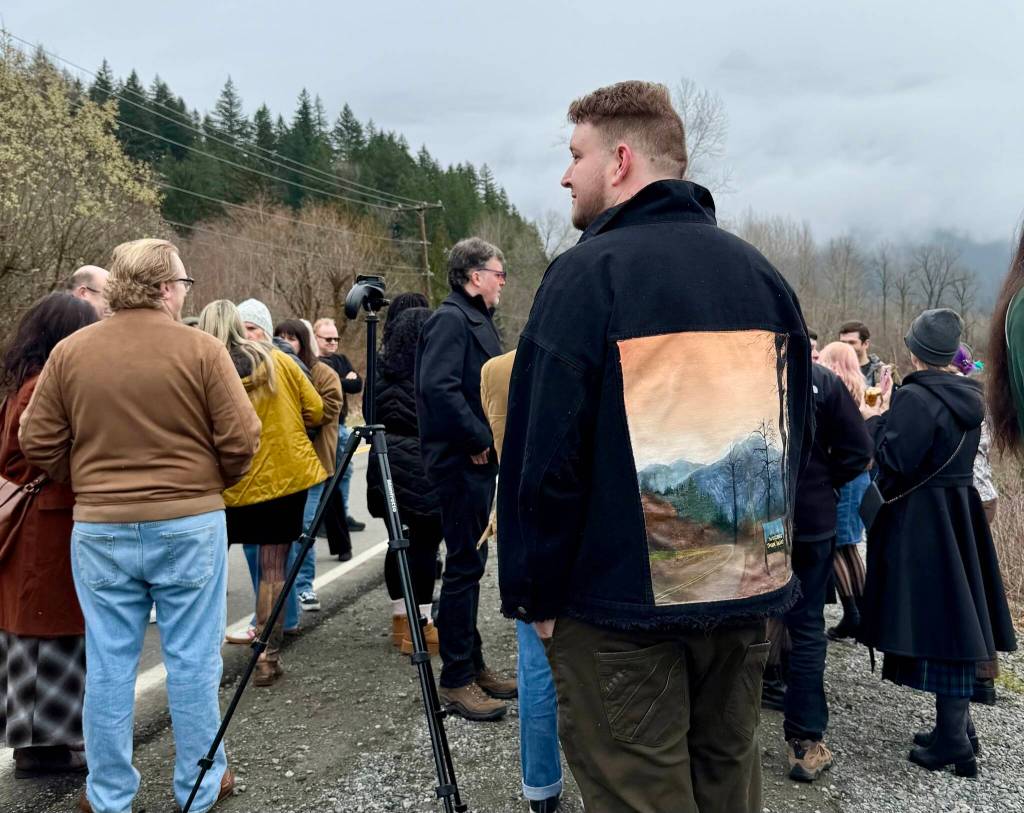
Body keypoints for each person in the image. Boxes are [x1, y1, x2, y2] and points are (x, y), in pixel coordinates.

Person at [498, 81, 812, 813]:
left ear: (622, 160)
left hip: (615, 620)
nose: (566, 174)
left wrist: (535, 597)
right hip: (741, 604)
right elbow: (798, 443)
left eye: (576, 155)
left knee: (643, 795)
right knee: (729, 791)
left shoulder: (585, 275)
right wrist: (774, 573)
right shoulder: (762, 278)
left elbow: (544, 459)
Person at [19, 239, 260, 813]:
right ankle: (199, 786)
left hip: (101, 525)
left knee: (108, 662)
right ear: (166, 288)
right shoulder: (201, 350)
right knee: (192, 659)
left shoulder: (72, 352)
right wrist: (205, 482)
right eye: (183, 283)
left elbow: (37, 438)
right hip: (187, 521)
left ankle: (108, 794)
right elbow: (243, 439)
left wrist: (87, 478)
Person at [859, 308, 1016, 776]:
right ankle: (958, 731)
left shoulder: (915, 398)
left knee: (941, 625)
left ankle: (954, 743)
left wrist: (873, 419)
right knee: (957, 617)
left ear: (915, 352)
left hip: (923, 520)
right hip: (960, 513)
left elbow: (895, 460)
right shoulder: (972, 397)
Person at [200, 300, 326, 687]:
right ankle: (267, 658)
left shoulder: (204, 368)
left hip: (223, 484)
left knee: (206, 576)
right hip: (281, 481)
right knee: (273, 570)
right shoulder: (280, 362)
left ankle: (203, 663)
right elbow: (317, 409)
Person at [416, 236, 516, 721]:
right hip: (459, 463)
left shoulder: (471, 319)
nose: (502, 282)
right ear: (474, 276)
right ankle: (456, 679)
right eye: (498, 273)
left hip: (474, 463)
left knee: (470, 565)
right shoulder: (451, 319)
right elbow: (437, 388)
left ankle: (473, 665)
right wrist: (479, 437)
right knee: (462, 567)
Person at [0, 293, 96, 779]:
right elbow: (30, 454)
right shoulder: (41, 384)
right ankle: (46, 748)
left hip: (37, 525)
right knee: (47, 630)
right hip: (44, 524)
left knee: (37, 631)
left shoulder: (27, 378)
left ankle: (43, 743)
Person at [783, 355, 872, 782]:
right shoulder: (821, 380)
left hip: (761, 519)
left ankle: (724, 736)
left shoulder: (745, 374)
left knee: (747, 621)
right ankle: (804, 743)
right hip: (811, 520)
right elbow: (859, 450)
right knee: (805, 628)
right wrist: (824, 480)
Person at [482, 349, 563, 813]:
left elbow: (497, 443)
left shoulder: (494, 370)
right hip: (580, 520)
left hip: (516, 511)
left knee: (536, 662)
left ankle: (541, 787)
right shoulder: (589, 354)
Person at [364, 307, 442, 655]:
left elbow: (368, 414)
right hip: (422, 463)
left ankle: (400, 618)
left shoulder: (379, 370)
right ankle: (421, 624)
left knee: (397, 541)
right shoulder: (429, 370)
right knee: (425, 546)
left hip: (383, 462)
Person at [275, 319, 343, 618]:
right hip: (281, 465)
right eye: (281, 337)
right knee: (280, 531)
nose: (287, 342)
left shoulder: (323, 373)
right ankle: (280, 592)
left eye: (293, 337)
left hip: (314, 464)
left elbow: (325, 412)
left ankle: (303, 585)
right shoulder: (273, 369)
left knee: (304, 528)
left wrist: (291, 414)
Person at [817, 342, 874, 641]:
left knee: (838, 546)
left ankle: (853, 614)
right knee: (850, 546)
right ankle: (863, 613)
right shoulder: (860, 386)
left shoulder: (838, 389)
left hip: (845, 478)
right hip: (859, 478)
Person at [312, 317, 365, 535]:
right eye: (328, 339)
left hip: (342, 426)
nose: (333, 342)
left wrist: (339, 380)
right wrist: (343, 379)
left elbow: (357, 384)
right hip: (323, 428)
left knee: (344, 473)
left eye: (336, 338)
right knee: (326, 475)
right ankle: (323, 520)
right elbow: (320, 386)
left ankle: (341, 517)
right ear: (315, 338)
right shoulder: (313, 362)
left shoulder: (341, 359)